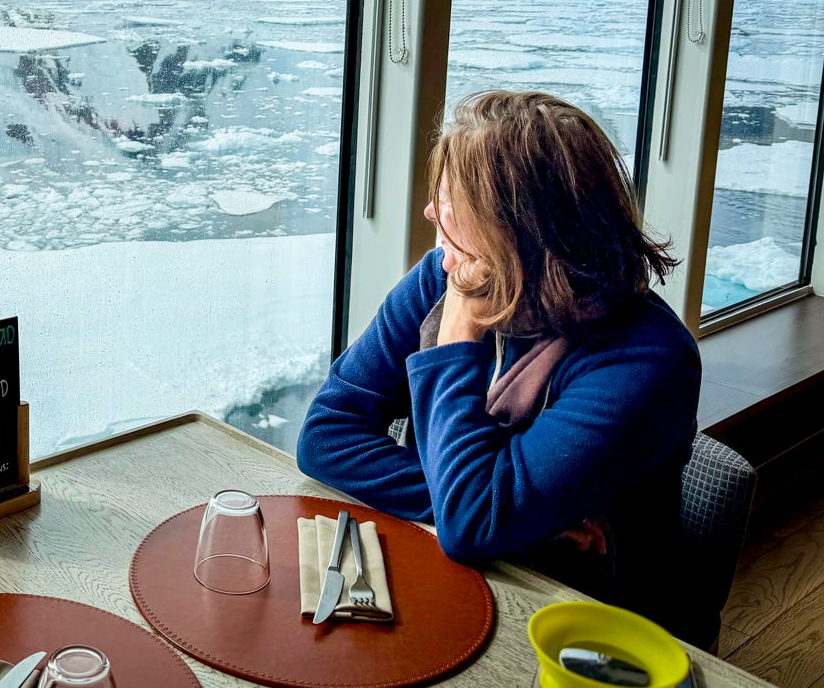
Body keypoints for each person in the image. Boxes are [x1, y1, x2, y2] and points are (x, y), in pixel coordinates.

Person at [296, 90, 701, 638]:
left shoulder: (645, 363)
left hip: (589, 621)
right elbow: (325, 435)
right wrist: (512, 517)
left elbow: (471, 525)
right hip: (453, 576)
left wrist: (456, 338)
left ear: (518, 228)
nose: (430, 212)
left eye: (449, 199)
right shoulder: (444, 276)